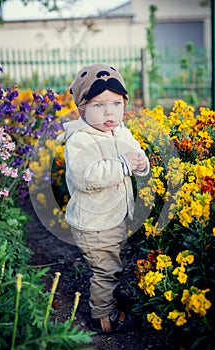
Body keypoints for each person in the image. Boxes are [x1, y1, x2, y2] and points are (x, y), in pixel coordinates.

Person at [61, 63, 150, 334]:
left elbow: (134, 153)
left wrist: (140, 162)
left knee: (113, 261)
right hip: (94, 223)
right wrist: (123, 164)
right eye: (99, 105)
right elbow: (87, 177)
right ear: (82, 109)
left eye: (115, 103)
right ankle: (104, 316)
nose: (109, 111)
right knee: (105, 269)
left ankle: (109, 296)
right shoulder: (79, 140)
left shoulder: (120, 131)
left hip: (112, 217)